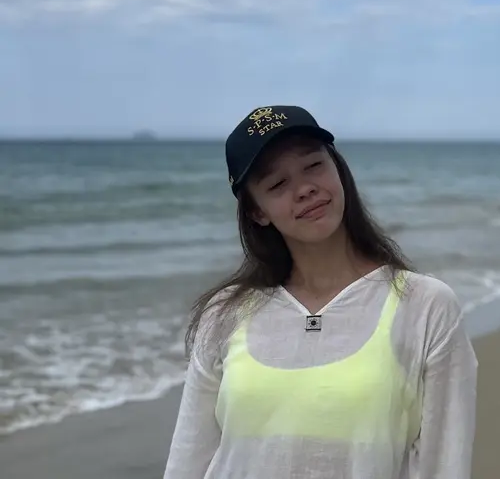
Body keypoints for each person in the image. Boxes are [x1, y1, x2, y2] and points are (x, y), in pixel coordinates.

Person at [163, 105, 478, 479]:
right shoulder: (224, 314)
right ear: (257, 212)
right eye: (277, 184)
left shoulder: (425, 305)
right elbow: (188, 460)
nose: (305, 189)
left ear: (338, 169)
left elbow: (444, 463)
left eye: (314, 165)